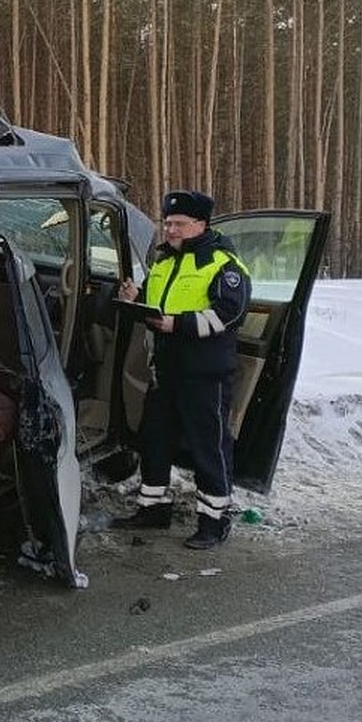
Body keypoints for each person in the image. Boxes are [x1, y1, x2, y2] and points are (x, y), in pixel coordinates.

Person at [114, 189, 251, 549]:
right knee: (154, 440)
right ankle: (153, 509)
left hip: (204, 375)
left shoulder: (223, 264)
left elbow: (229, 313)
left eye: (178, 223)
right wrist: (136, 299)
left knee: (209, 448)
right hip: (165, 371)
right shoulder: (163, 262)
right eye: (167, 222)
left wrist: (179, 325)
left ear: (200, 225)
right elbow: (157, 303)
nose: (170, 229)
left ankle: (214, 521)